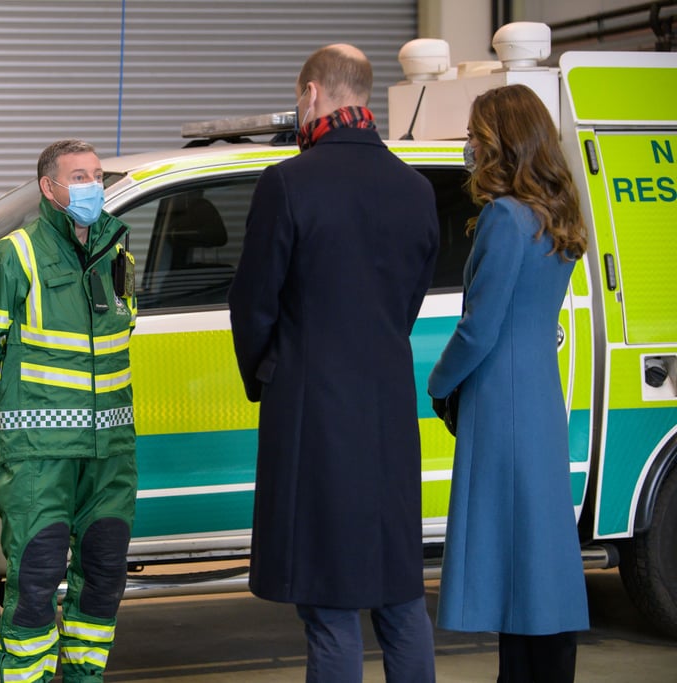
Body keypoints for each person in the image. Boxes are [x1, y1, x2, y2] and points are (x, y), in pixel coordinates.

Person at [228, 45, 439, 682]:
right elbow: (408, 298)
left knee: (328, 603)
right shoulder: (416, 188)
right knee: (399, 595)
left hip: (313, 418)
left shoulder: (288, 182)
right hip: (389, 415)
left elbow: (254, 299)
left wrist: (271, 370)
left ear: (314, 92)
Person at [0, 139, 137, 683]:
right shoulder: (10, 258)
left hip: (110, 454)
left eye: (98, 175)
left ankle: (84, 678)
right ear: (49, 187)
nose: (92, 186)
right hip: (40, 456)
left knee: (104, 576)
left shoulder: (117, 254)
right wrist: (17, 413)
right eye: (79, 176)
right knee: (34, 582)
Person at [428, 83, 589, 682]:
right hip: (540, 402)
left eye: (475, 134)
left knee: (511, 559)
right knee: (539, 559)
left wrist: (438, 383)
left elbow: (479, 329)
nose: (469, 145)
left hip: (501, 406)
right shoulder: (557, 215)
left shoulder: (502, 217)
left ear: (504, 141)